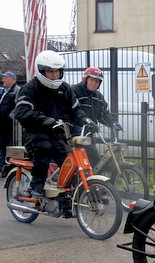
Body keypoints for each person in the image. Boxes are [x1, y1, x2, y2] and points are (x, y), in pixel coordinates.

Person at [14, 50, 95, 198]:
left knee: (68, 162)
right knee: (43, 149)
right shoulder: (31, 88)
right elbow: (21, 112)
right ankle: (36, 185)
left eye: (57, 71)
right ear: (41, 71)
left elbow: (75, 110)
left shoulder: (65, 89)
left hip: (57, 134)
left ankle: (67, 194)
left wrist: (86, 120)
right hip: (35, 134)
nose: (55, 74)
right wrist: (44, 120)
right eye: (50, 71)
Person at [71, 67, 121, 166]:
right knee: (93, 159)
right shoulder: (74, 91)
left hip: (89, 133)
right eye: (92, 80)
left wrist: (113, 123)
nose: (94, 83)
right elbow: (74, 111)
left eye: (97, 81)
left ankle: (91, 180)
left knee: (93, 162)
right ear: (85, 79)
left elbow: (104, 114)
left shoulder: (98, 97)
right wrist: (86, 121)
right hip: (74, 133)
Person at [0, 71, 20, 170]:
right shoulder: (5, 92)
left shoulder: (17, 91)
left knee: (8, 146)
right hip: (3, 125)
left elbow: (19, 106)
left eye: (5, 78)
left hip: (11, 126)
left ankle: (6, 166)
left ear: (12, 79)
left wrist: (10, 116)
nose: (3, 80)